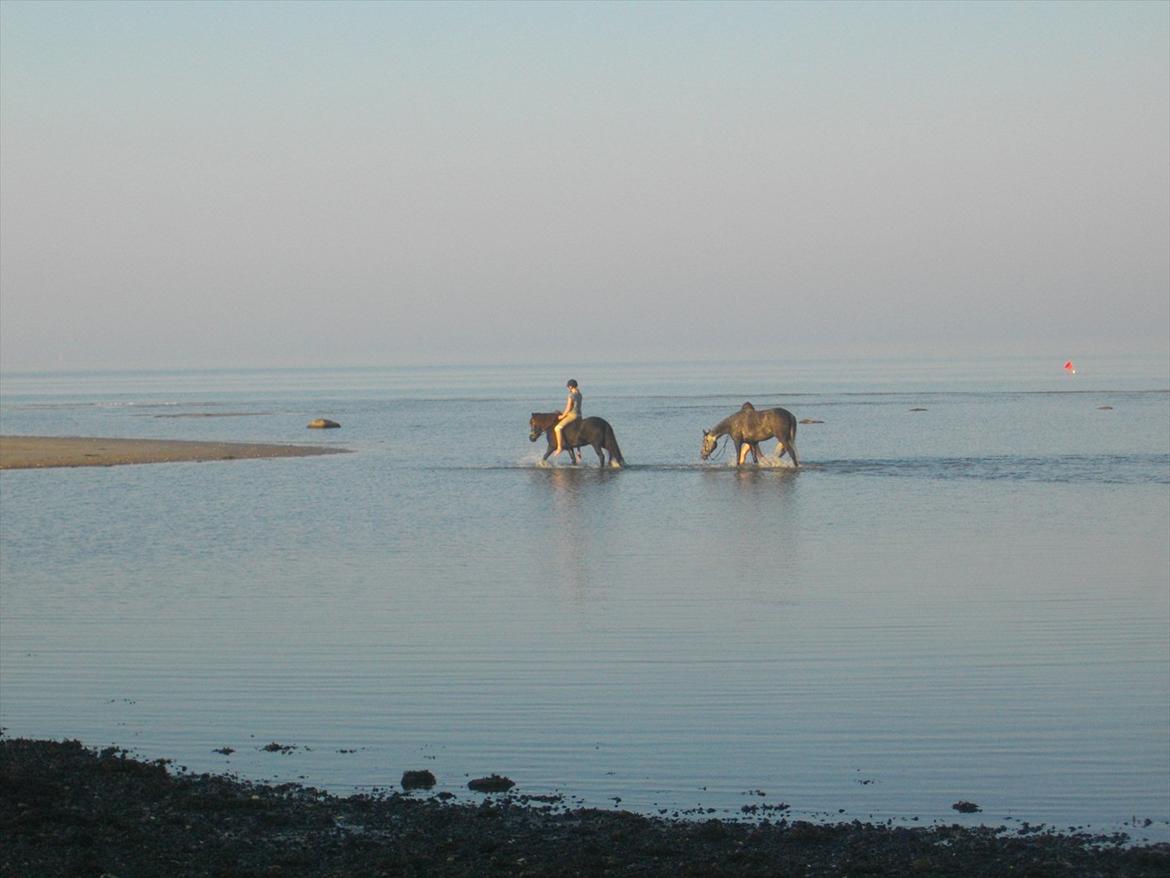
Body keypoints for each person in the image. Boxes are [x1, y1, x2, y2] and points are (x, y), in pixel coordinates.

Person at [553, 379, 582, 457]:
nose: (568, 388)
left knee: (557, 428)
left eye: (568, 387)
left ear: (570, 386)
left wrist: (562, 416)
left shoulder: (571, 395)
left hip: (573, 415)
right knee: (577, 431)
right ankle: (578, 452)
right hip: (579, 416)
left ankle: (559, 447)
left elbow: (568, 408)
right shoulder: (579, 394)